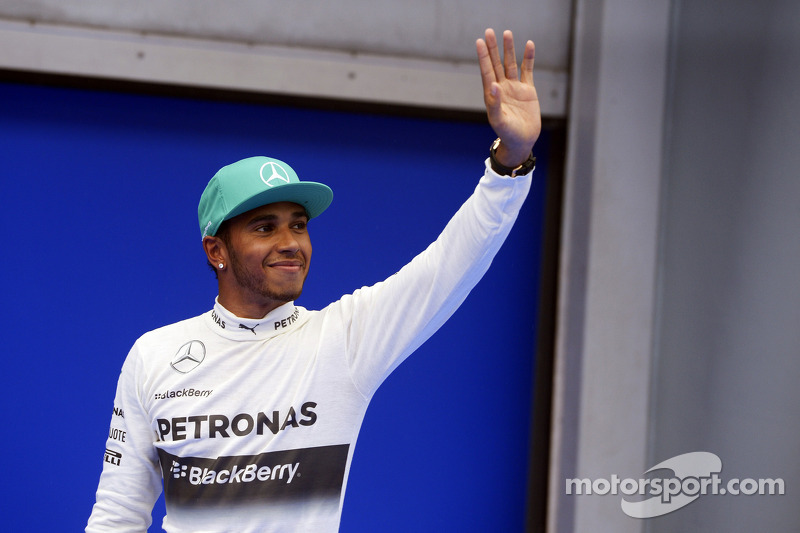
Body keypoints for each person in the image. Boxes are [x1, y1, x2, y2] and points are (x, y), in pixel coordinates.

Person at [87, 28, 541, 532]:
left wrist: (510, 163)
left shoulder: (342, 341)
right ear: (216, 250)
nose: (291, 242)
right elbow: (118, 515)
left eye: (298, 225)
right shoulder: (153, 356)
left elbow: (450, 265)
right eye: (265, 227)